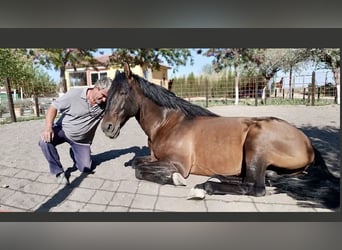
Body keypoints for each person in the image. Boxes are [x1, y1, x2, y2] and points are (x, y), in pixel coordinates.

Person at [39, 77, 112, 186]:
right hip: (62, 130)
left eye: (107, 97)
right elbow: (53, 107)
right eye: (103, 95)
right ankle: (58, 172)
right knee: (44, 141)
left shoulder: (105, 104)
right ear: (96, 88)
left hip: (81, 141)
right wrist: (48, 127)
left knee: (85, 168)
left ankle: (74, 152)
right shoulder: (75, 94)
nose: (105, 100)